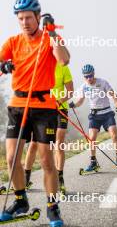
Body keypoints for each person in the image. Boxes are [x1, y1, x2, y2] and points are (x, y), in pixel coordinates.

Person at [0, 0, 70, 227]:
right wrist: (3, 66)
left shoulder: (50, 39)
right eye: (20, 18)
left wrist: (52, 34)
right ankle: (21, 201)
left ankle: (52, 207)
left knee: (46, 161)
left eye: (29, 17)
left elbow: (64, 60)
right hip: (18, 106)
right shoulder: (12, 42)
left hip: (44, 108)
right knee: (11, 158)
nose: (25, 22)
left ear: (38, 17)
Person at [24, 64, 74, 195]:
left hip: (60, 108)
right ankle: (25, 179)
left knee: (59, 141)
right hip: (43, 109)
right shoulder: (40, 65)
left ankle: (60, 178)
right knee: (34, 143)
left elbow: (70, 91)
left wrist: (59, 101)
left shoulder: (63, 67)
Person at [69, 64, 117, 172]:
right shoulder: (84, 86)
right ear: (84, 77)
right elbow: (81, 101)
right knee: (92, 140)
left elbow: (113, 95)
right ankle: (93, 162)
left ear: (93, 73)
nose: (89, 79)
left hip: (107, 113)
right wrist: (74, 105)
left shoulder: (103, 82)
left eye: (90, 76)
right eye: (86, 77)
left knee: (114, 136)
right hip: (94, 115)